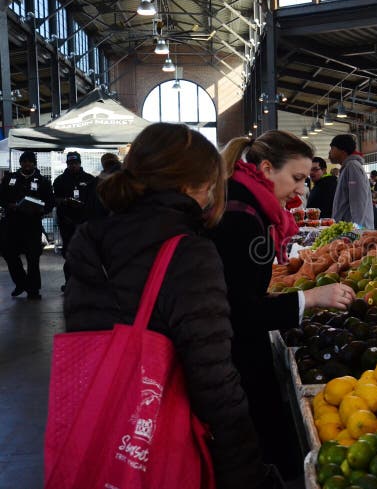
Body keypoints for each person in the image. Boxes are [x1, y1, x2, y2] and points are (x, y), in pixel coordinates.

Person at [64, 123, 272, 488]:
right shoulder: (189, 252)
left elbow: (87, 338)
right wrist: (246, 469)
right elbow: (212, 378)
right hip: (166, 444)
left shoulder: (88, 240)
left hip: (100, 425)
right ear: (193, 186)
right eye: (211, 183)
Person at [214, 131, 355, 478]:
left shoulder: (246, 205)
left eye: (304, 180)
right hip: (232, 357)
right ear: (265, 168)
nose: (300, 190)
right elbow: (239, 310)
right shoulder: (241, 218)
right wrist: (309, 297)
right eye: (296, 178)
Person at [0, 151, 54, 299]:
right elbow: (1, 197)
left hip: (32, 224)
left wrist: (41, 209)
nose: (27, 164)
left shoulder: (42, 181)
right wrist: (8, 205)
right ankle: (21, 282)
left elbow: (50, 202)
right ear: (21, 163)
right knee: (9, 253)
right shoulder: (10, 178)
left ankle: (33, 289)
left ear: (34, 163)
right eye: (24, 161)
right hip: (12, 224)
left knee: (33, 257)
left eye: (30, 161)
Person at [52, 151, 96, 290]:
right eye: (70, 163)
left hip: (85, 223)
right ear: (67, 163)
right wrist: (65, 201)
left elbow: (94, 201)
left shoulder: (89, 179)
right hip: (67, 223)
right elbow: (54, 199)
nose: (73, 166)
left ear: (80, 163)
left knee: (85, 253)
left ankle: (84, 282)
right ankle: (70, 282)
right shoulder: (60, 180)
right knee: (70, 253)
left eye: (75, 163)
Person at [330, 134, 373, 228]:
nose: (330, 152)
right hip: (347, 228)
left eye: (332, 148)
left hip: (354, 231)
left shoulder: (352, 167)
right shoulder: (347, 167)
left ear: (342, 150)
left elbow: (358, 201)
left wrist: (356, 230)